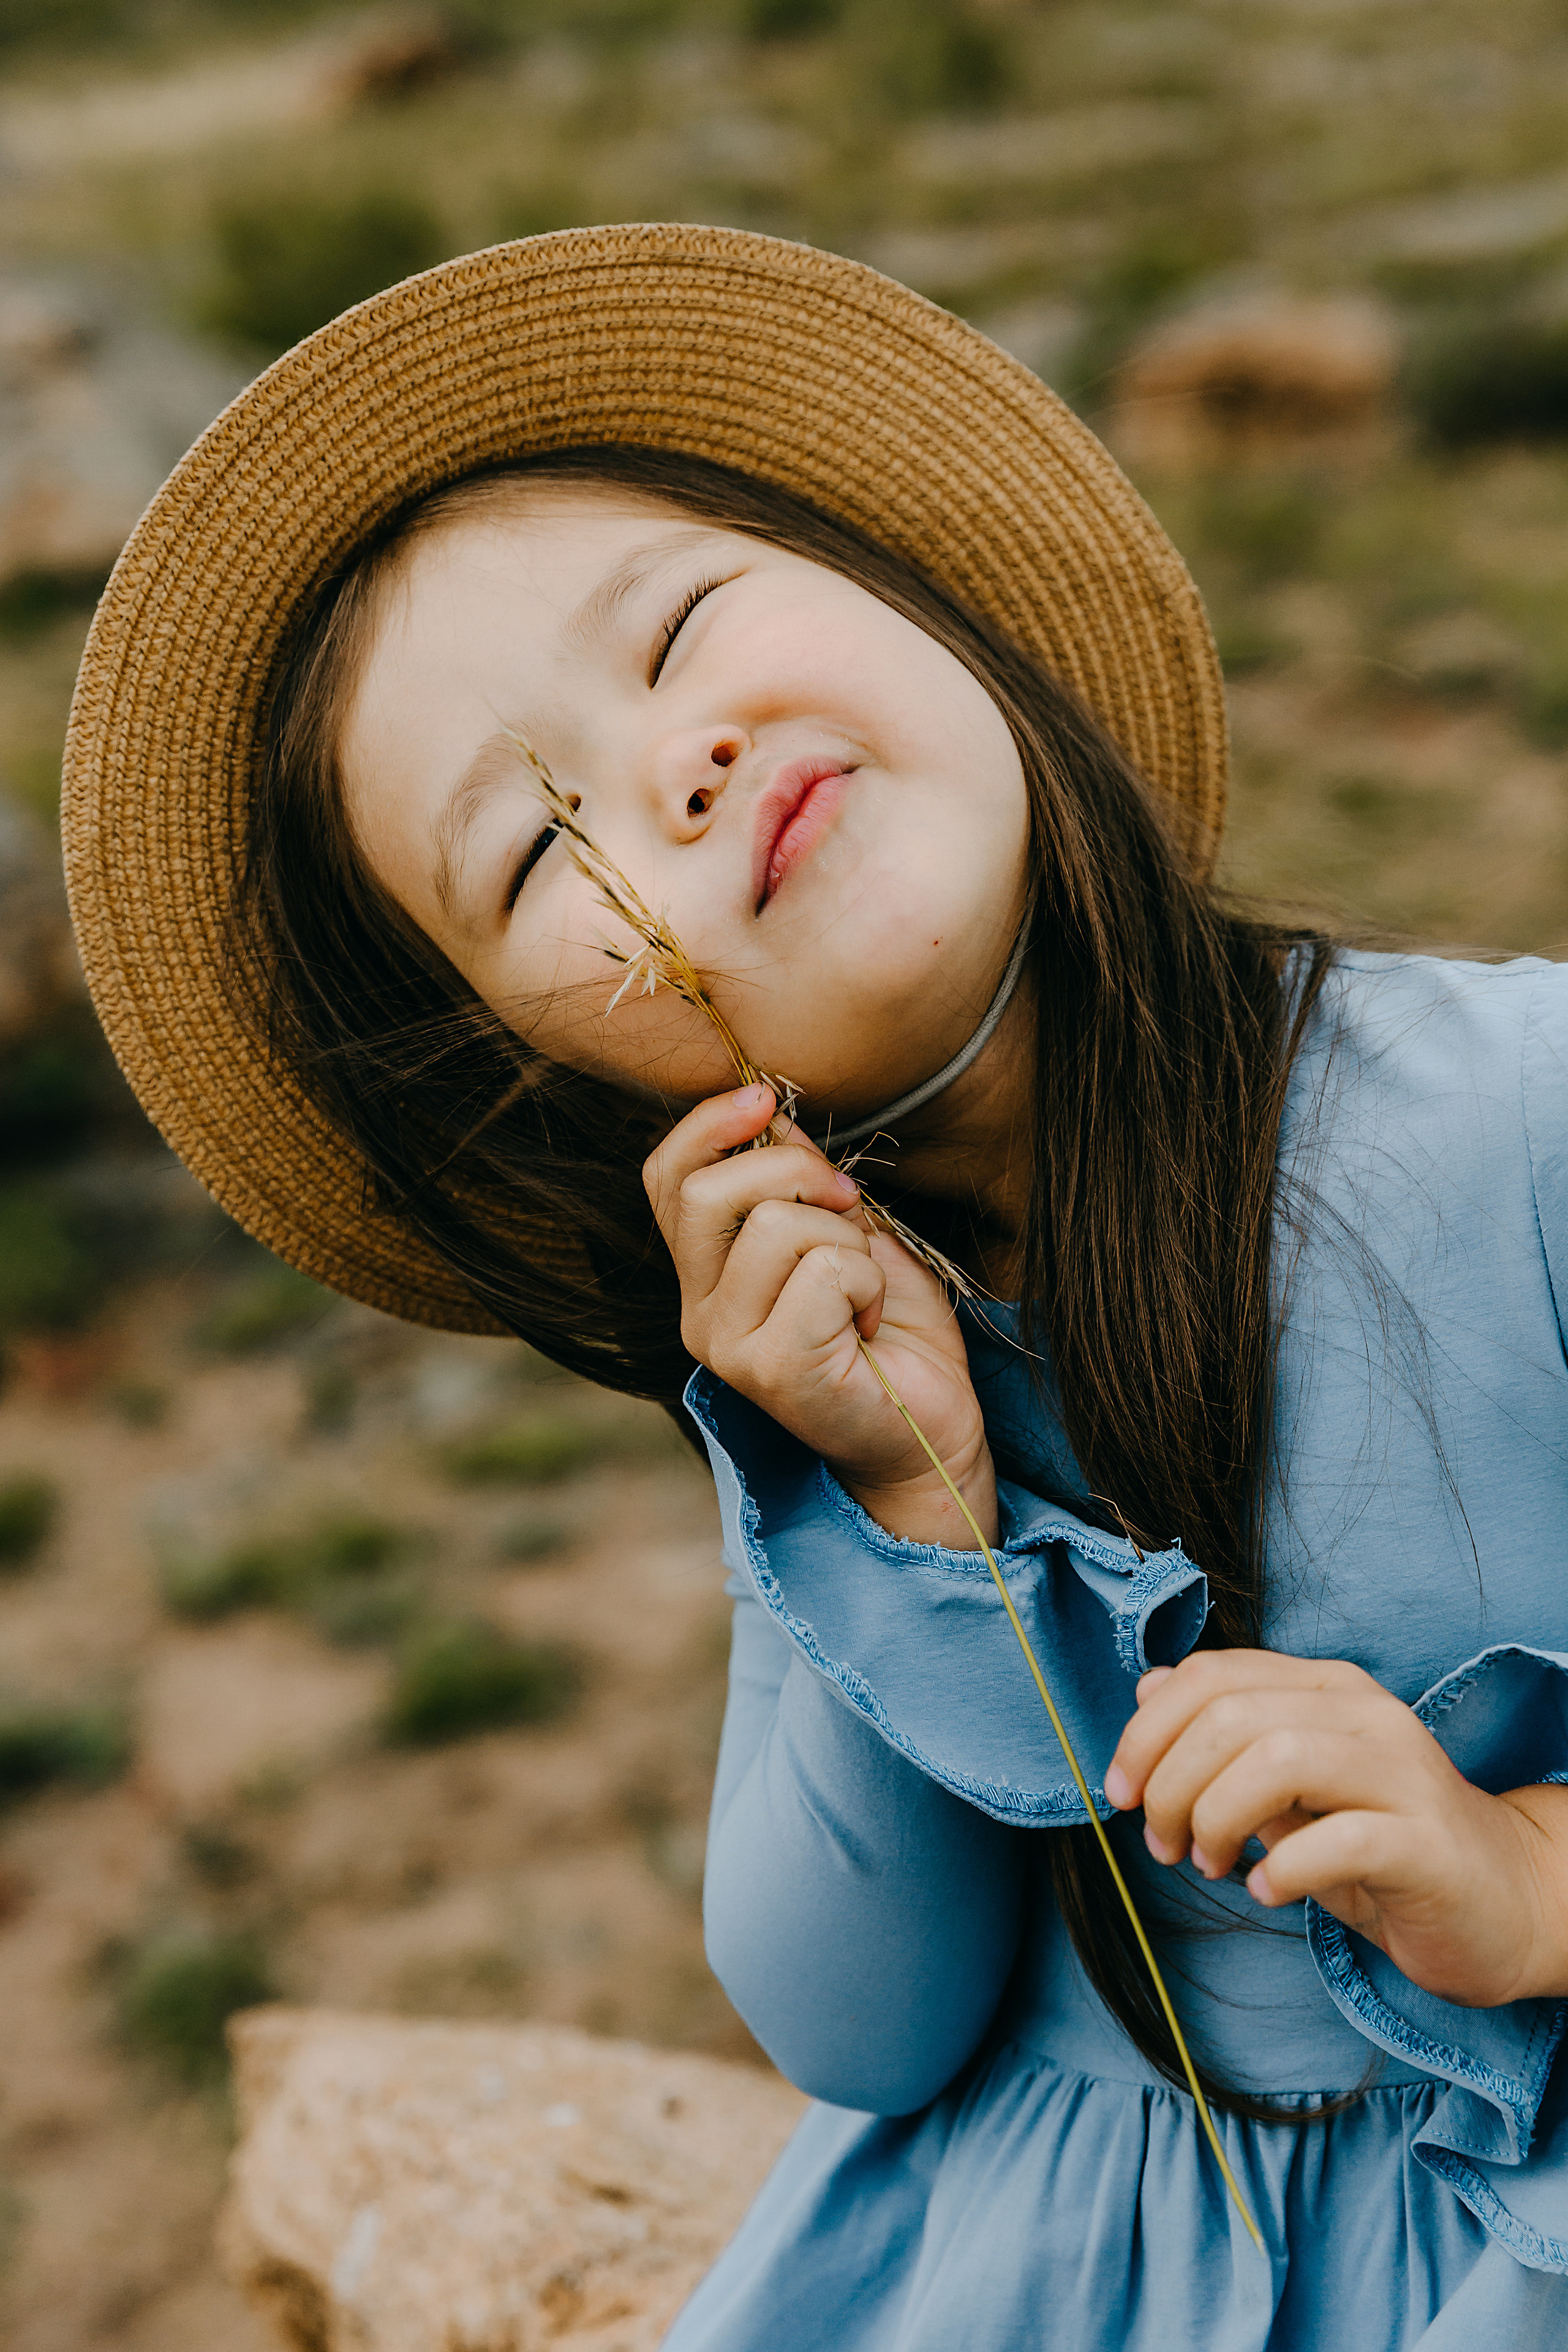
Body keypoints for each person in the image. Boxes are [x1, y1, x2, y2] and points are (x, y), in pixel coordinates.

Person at [62, 226, 1568, 2348]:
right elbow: (856, 2022)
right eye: (528, 851)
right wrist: (898, 1501)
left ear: (910, 589)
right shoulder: (829, 1353)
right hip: (1077, 2259)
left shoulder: (1523, 1122)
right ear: (549, 1084)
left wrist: (1515, 1878)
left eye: (678, 627)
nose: (660, 775)